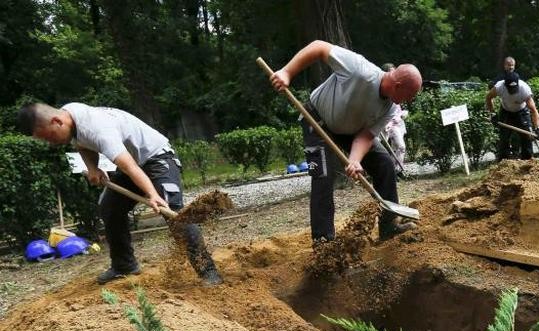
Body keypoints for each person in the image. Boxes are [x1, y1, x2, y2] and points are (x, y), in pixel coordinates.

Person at [16, 102, 222, 286]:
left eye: (49, 137)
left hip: (157, 159)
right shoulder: (70, 115)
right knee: (109, 208)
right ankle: (124, 266)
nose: (51, 143)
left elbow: (130, 166)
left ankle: (208, 271)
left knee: (173, 211)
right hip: (132, 166)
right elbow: (81, 144)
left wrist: (152, 194)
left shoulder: (97, 129)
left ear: (56, 121)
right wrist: (92, 167)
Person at [268, 41, 422, 243]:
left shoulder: (391, 108)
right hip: (318, 120)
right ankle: (323, 242)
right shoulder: (359, 69)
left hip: (351, 130)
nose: (406, 102)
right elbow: (319, 47)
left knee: (384, 164)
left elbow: (366, 135)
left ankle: (389, 226)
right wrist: (287, 72)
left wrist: (355, 160)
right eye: (408, 96)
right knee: (323, 176)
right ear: (398, 86)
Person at [486, 71, 539, 161]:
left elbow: (534, 111)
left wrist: (537, 128)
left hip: (521, 112)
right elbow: (488, 97)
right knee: (504, 138)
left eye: (514, 88)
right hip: (506, 111)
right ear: (505, 85)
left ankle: (528, 161)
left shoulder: (524, 89)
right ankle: (504, 163)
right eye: (510, 89)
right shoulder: (499, 87)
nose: (512, 91)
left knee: (526, 137)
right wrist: (493, 113)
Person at [380, 64, 408, 175]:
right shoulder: (384, 88)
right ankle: (394, 171)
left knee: (397, 148)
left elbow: (397, 108)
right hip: (387, 124)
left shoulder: (396, 87)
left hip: (397, 123)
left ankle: (397, 171)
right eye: (393, 72)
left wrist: (401, 115)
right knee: (398, 147)